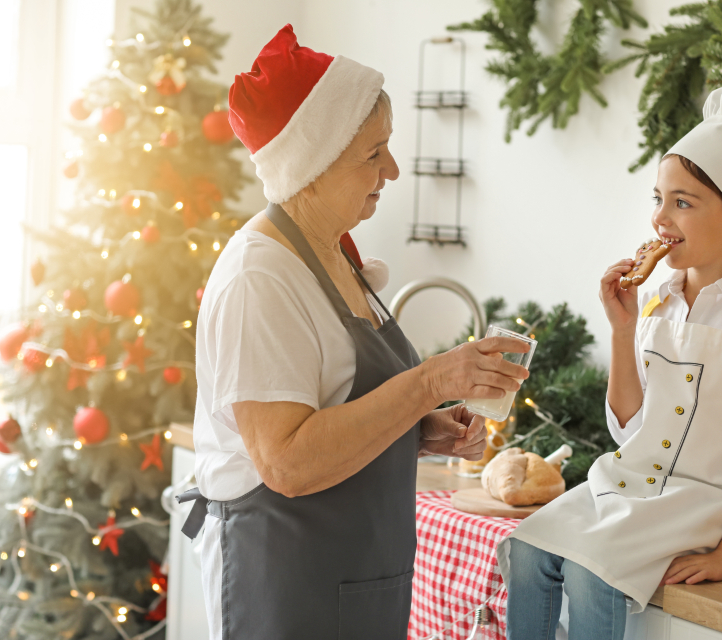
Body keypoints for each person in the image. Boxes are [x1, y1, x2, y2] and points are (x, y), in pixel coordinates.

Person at [175, 25, 531, 640]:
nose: (391, 169)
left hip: (356, 579)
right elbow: (286, 461)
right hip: (287, 582)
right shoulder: (260, 276)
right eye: (373, 152)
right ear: (308, 167)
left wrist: (419, 432)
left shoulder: (334, 255)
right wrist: (430, 382)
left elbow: (332, 408)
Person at [501, 85, 722, 639]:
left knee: (590, 572)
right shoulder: (654, 300)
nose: (659, 219)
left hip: (711, 504)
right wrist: (622, 332)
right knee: (527, 552)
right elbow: (628, 429)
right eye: (657, 198)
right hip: (631, 486)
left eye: (683, 203)